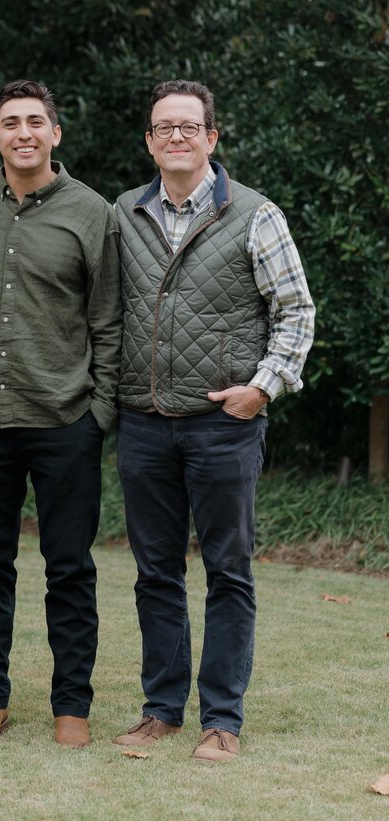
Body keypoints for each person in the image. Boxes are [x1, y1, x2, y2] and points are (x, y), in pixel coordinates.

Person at [113, 80, 315, 763]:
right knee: (155, 574)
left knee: (228, 572)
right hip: (144, 423)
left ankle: (222, 720)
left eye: (189, 126)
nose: (176, 136)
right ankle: (161, 711)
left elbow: (296, 312)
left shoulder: (256, 215)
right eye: (164, 127)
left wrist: (262, 388)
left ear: (211, 137)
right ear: (149, 141)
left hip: (223, 425)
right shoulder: (123, 213)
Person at [0, 80, 122, 749]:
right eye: (10, 123)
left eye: (34, 122)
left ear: (55, 133)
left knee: (69, 568)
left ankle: (71, 706)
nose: (23, 132)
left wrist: (98, 413)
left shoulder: (92, 212)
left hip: (64, 420)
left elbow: (107, 318)